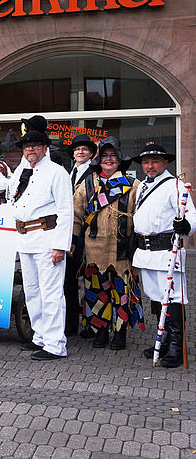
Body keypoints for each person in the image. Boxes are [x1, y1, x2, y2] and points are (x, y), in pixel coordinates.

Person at [9, 115, 73, 361]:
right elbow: (10, 195)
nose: (30, 149)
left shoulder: (57, 172)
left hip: (47, 238)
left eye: (35, 145)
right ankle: (40, 337)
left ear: (45, 147)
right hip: (25, 238)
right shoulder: (22, 171)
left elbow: (66, 211)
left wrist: (60, 246)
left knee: (51, 292)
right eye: (26, 146)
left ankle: (56, 344)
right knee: (32, 291)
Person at [72, 137, 143, 351]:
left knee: (121, 293)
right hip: (93, 250)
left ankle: (120, 334)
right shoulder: (86, 184)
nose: (109, 160)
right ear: (98, 160)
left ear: (120, 159)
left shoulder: (134, 185)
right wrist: (73, 244)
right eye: (105, 156)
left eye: (113, 156)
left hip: (122, 250)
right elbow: (76, 217)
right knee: (97, 292)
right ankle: (100, 331)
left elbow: (141, 217)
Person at [132, 142, 196, 368]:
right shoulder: (142, 187)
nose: (150, 166)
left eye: (155, 162)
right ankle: (164, 339)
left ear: (165, 163)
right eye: (146, 162)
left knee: (174, 299)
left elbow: (191, 216)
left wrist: (184, 224)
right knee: (157, 299)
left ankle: (177, 346)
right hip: (146, 252)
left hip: (167, 251)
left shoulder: (175, 185)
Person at [65, 133, 98, 337]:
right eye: (77, 149)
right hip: (70, 234)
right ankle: (71, 324)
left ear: (91, 154)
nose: (80, 152)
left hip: (88, 233)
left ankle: (92, 325)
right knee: (69, 280)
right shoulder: (69, 173)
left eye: (84, 149)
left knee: (90, 280)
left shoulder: (94, 174)